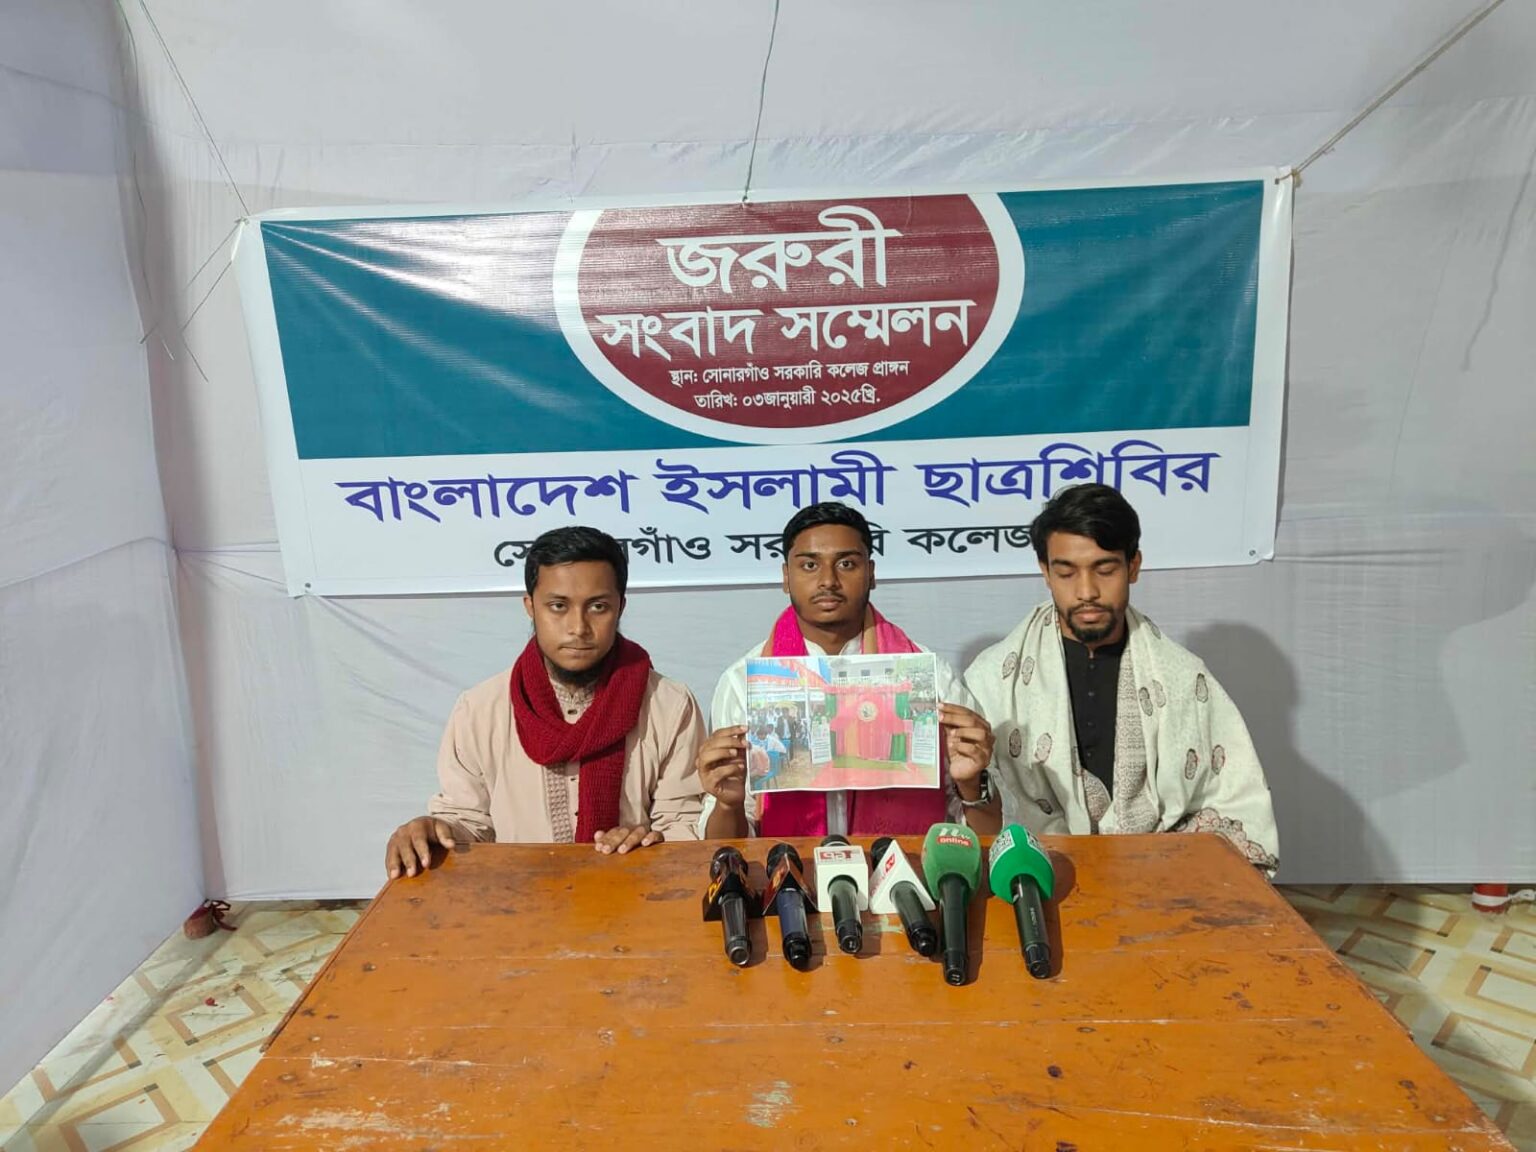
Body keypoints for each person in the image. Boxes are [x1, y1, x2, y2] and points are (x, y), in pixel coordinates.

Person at [965, 484, 1279, 871]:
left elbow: (1232, 798)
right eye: (1066, 572)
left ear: (1133, 566)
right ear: (1045, 572)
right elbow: (973, 812)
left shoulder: (1183, 677)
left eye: (1105, 569)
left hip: (1160, 880)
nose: (1087, 591)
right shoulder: (993, 681)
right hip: (1032, 879)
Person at [384, 526, 719, 878]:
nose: (578, 627)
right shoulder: (480, 710)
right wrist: (432, 831)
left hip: (638, 895)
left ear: (621, 607)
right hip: (517, 899)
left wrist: (651, 842)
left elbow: (682, 824)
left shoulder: (669, 705)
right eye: (558, 606)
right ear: (530, 606)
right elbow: (468, 824)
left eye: (598, 607)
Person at [696, 502, 998, 838]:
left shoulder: (931, 678)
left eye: (846, 564)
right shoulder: (743, 683)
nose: (828, 580)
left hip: (905, 871)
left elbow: (985, 835)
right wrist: (727, 805)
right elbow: (726, 849)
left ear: (871, 573)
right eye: (809, 565)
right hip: (788, 871)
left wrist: (972, 783)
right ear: (786, 577)